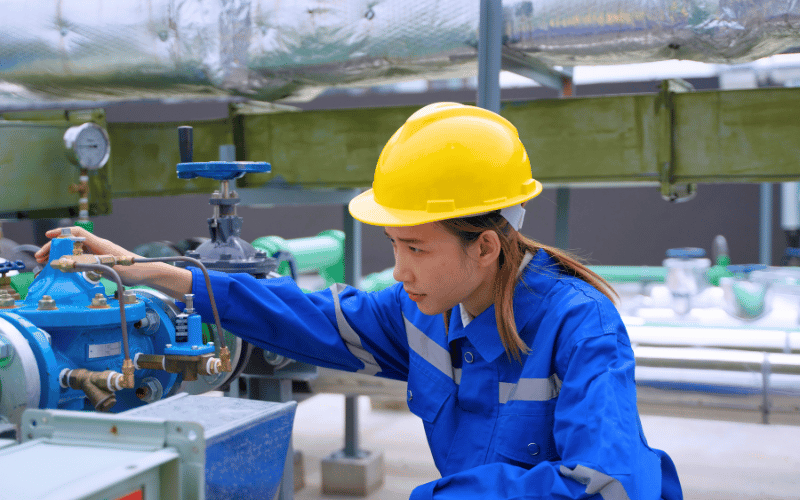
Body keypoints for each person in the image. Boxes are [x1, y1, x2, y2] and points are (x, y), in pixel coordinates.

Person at [37, 102, 682, 500]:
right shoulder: (422, 313)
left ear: (485, 247)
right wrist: (152, 272)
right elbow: (306, 316)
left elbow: (612, 486)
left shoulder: (579, 326)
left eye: (416, 248)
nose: (399, 271)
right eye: (392, 244)